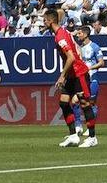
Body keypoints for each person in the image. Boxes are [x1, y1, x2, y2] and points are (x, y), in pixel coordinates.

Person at [43, 9, 97, 148]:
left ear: (50, 21)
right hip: (72, 74)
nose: (43, 23)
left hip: (79, 73)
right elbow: (76, 49)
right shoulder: (63, 32)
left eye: (44, 20)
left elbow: (71, 57)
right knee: (64, 102)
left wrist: (62, 75)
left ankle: (92, 137)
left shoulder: (60, 36)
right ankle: (73, 135)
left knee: (84, 103)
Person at [72, 26, 104, 136]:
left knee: (91, 103)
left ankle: (90, 128)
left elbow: (101, 63)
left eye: (80, 33)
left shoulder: (94, 47)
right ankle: (78, 126)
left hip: (92, 79)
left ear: (85, 34)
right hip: (82, 79)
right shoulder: (79, 48)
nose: (78, 35)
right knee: (75, 101)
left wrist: (89, 68)